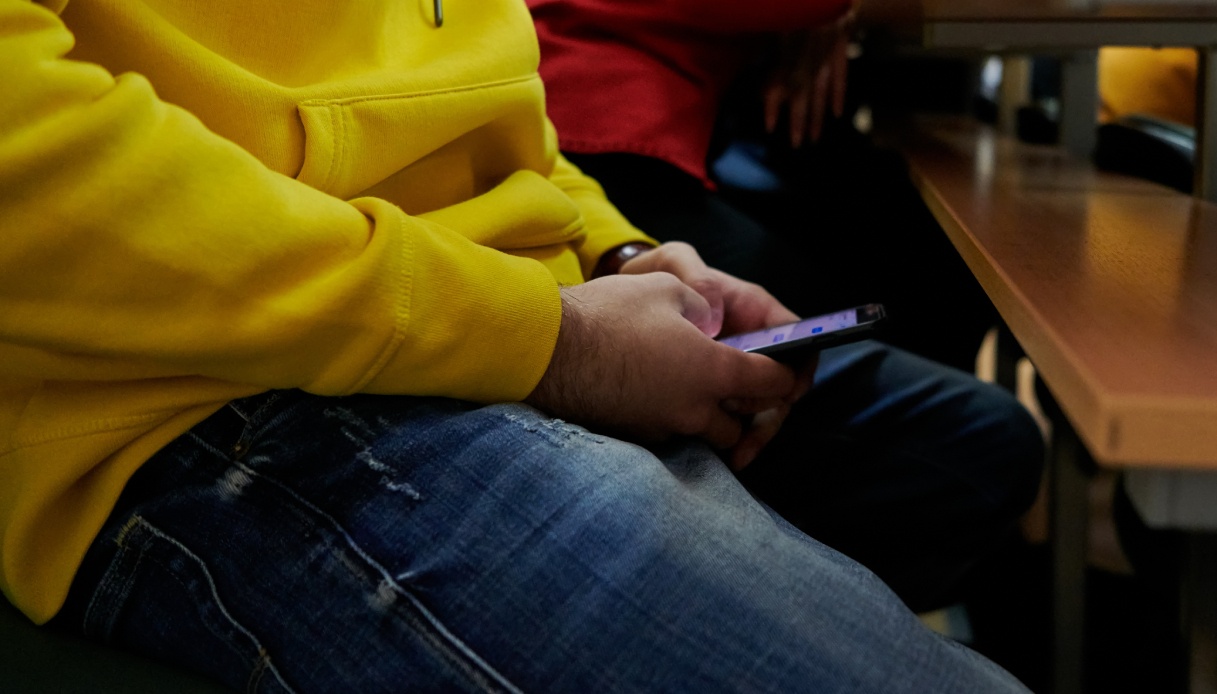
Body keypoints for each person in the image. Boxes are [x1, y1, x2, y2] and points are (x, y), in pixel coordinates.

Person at [2, 0, 1040, 691]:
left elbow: (503, 119)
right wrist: (554, 343)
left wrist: (619, 254)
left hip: (503, 302)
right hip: (213, 390)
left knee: (973, 448)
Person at [528, 0, 1000, 373]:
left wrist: (824, 18)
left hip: (627, 137)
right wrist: (833, 13)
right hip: (598, 143)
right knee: (810, 301)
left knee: (907, 246)